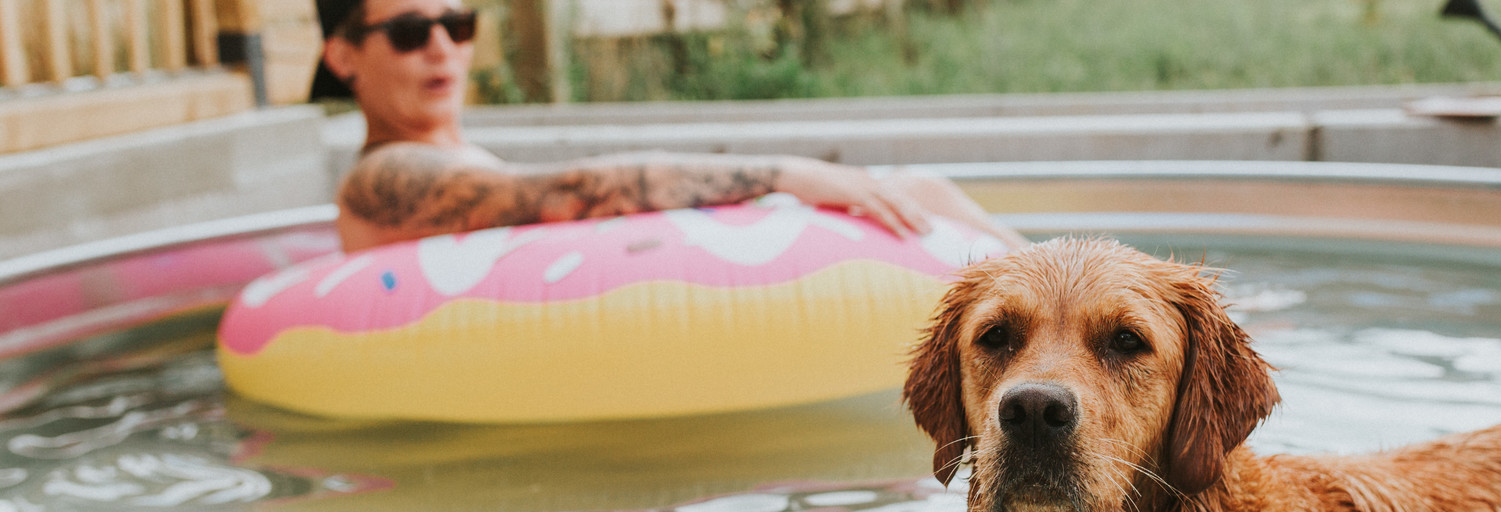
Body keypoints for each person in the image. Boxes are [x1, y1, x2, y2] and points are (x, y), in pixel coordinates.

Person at [316, 0, 1023, 253]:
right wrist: (793, 175)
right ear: (343, 54)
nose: (443, 47)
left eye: (457, 23)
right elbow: (563, 190)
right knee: (915, 189)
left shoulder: (463, 154)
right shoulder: (384, 177)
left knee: (919, 190)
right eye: (410, 31)